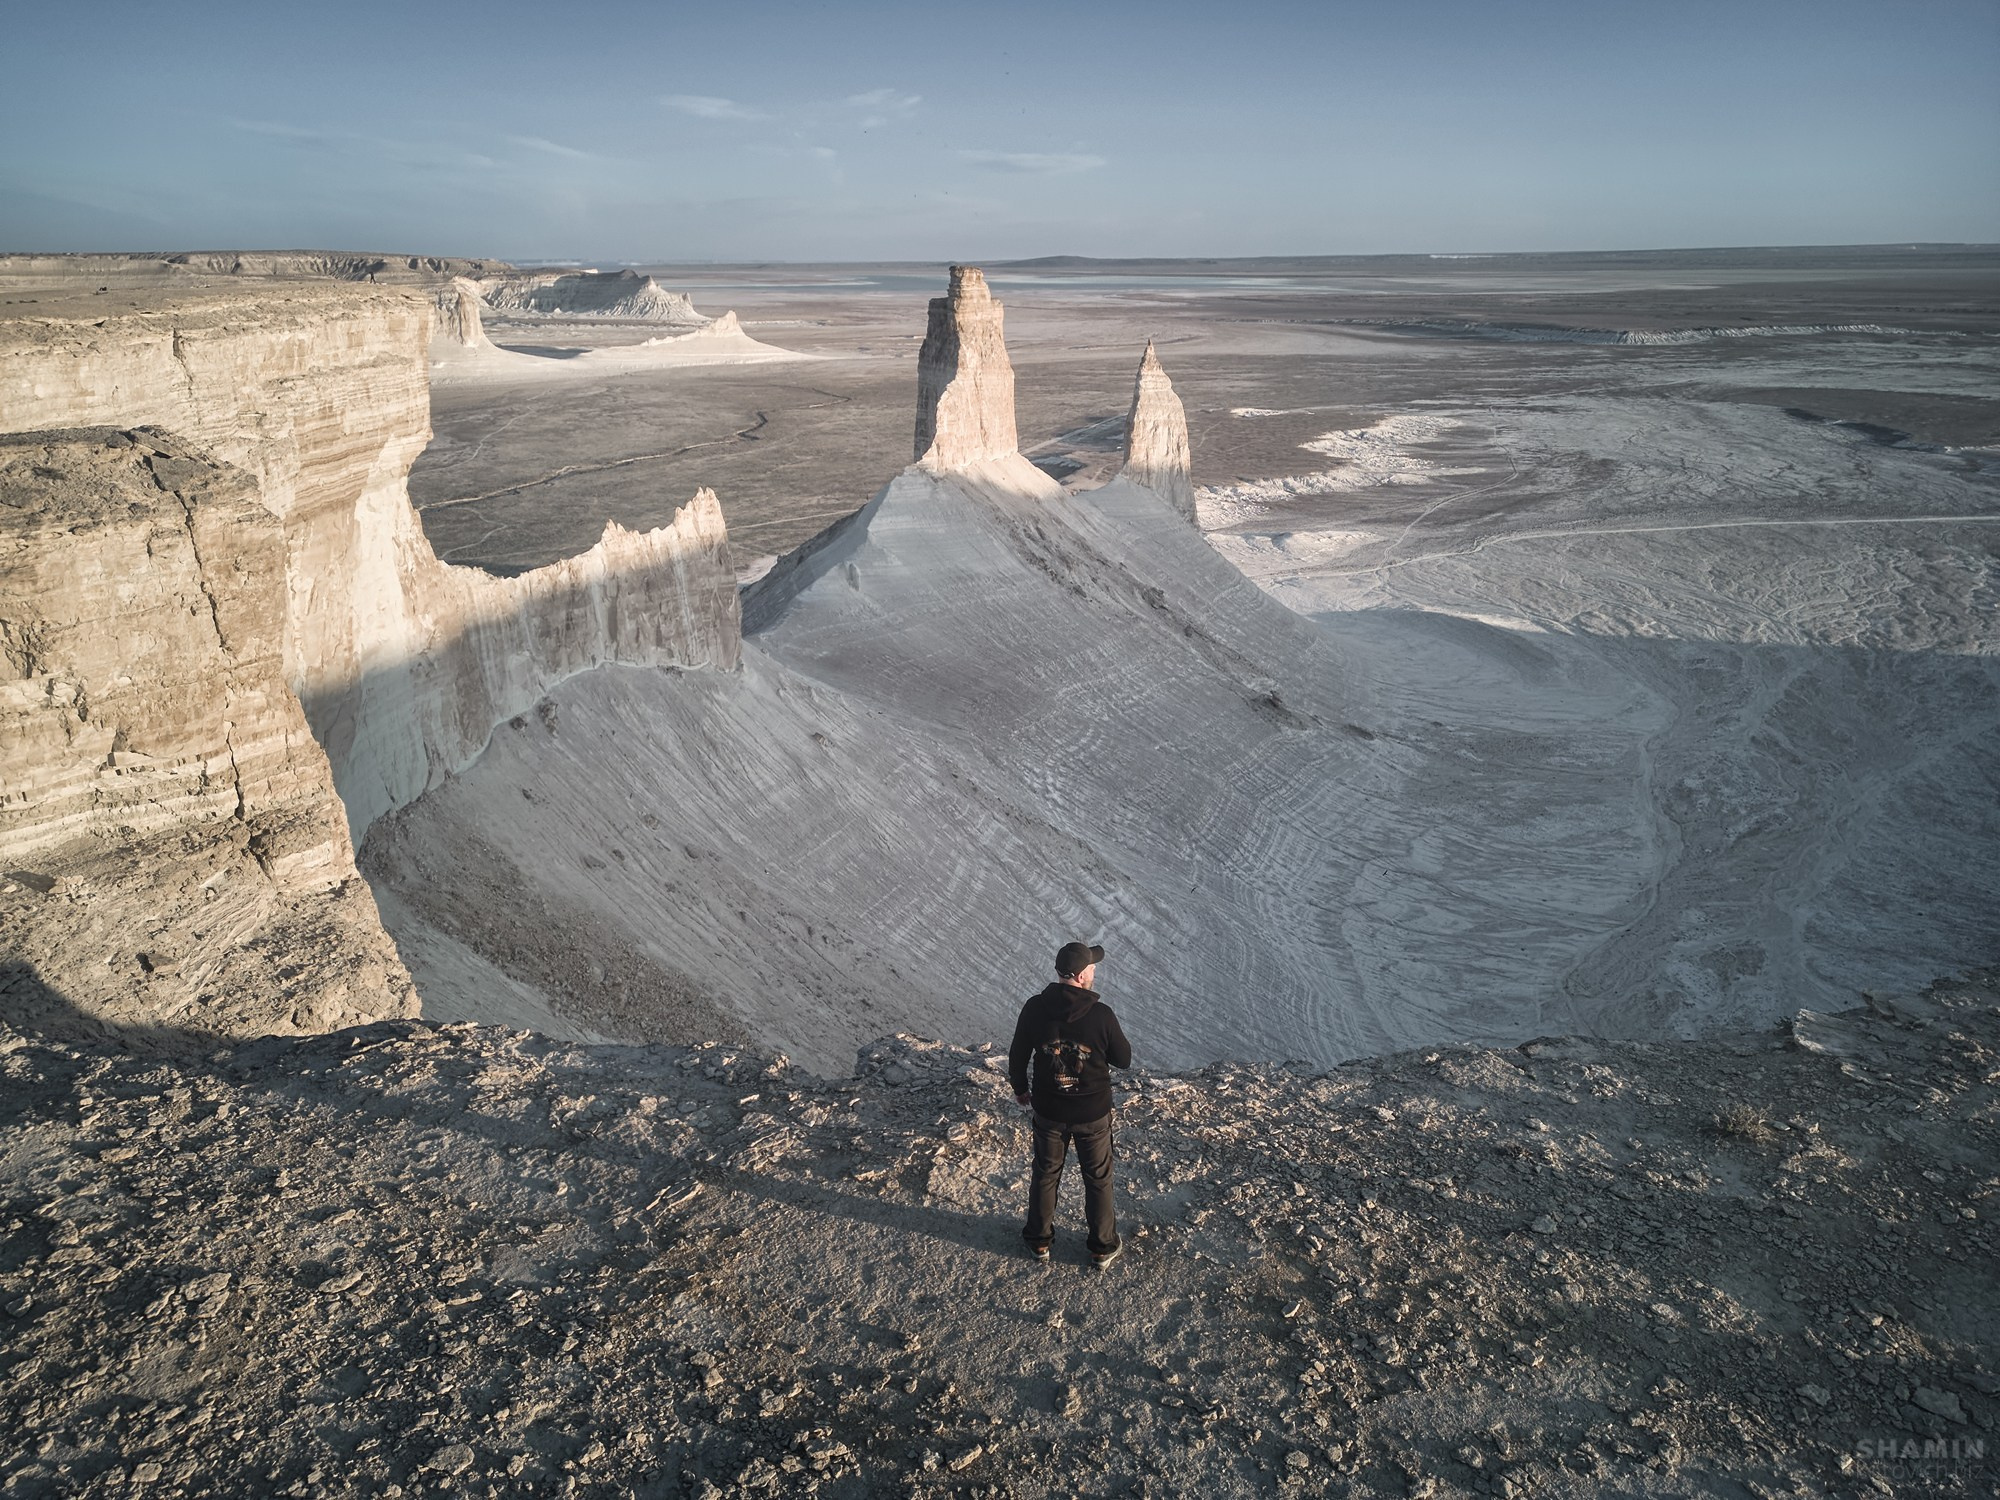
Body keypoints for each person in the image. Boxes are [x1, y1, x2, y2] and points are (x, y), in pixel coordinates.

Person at [1009, 941, 1132, 1266]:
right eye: (1092, 968)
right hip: (1092, 1113)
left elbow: (1018, 1054)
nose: (1095, 972)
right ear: (1080, 976)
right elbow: (1124, 1059)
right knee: (1097, 1178)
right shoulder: (1101, 1015)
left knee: (1046, 1174)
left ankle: (1039, 1243)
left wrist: (1020, 1088)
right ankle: (1102, 1247)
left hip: (1049, 1110)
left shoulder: (1035, 1008)